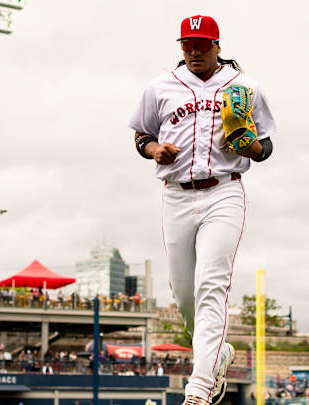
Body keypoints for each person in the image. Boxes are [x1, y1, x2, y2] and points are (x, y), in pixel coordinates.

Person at [128, 15, 276, 405]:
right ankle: (216, 354)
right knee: (183, 293)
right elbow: (142, 135)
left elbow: (265, 146)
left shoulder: (245, 86)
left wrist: (253, 149)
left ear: (217, 46)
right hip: (176, 194)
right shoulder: (160, 87)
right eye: (187, 43)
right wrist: (153, 150)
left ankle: (199, 389)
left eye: (202, 43)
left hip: (224, 192)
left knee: (212, 284)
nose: (194, 50)